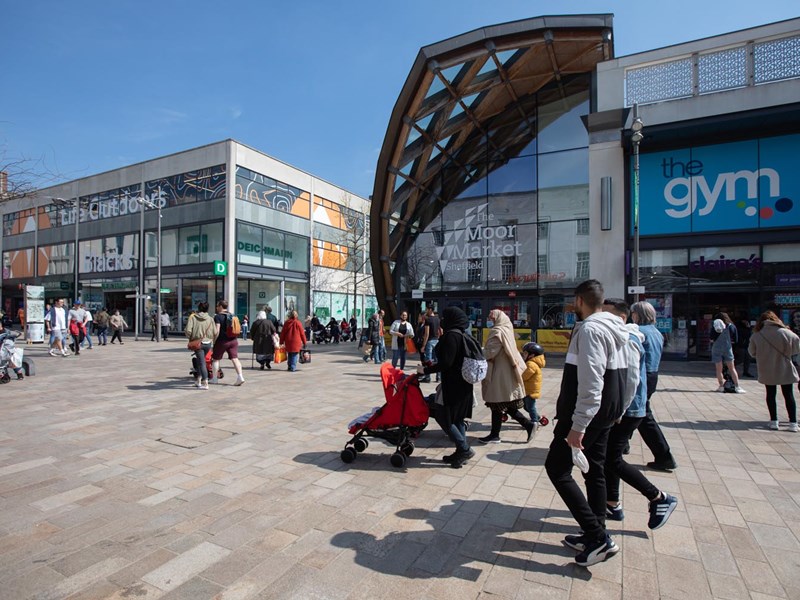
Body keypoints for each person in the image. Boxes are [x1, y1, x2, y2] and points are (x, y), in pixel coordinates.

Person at [544, 279, 630, 567]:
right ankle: (596, 531)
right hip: (605, 413)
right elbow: (629, 375)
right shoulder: (616, 327)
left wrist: (578, 425)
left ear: (580, 300)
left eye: (574, 301)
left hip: (586, 415)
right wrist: (619, 409)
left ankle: (597, 536)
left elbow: (591, 382)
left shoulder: (591, 329)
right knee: (594, 470)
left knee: (557, 469)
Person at [602, 299, 679, 529]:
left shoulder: (631, 336)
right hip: (641, 390)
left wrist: (621, 408)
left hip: (629, 402)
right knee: (611, 455)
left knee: (611, 458)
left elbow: (632, 376)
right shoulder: (654, 333)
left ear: (628, 316)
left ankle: (658, 497)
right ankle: (612, 503)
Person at [417, 306, 475, 468]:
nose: (442, 320)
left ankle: (464, 449)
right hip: (463, 384)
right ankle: (460, 452)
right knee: (457, 418)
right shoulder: (462, 334)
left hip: (453, 385)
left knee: (444, 417)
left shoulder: (451, 336)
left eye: (445, 317)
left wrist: (425, 370)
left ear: (452, 319)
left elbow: (447, 363)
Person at [630, 301, 678, 471]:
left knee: (642, 415)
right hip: (653, 374)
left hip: (642, 375)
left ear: (637, 314)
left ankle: (664, 455)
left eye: (633, 313)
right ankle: (622, 444)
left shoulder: (639, 332)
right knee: (636, 413)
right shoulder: (656, 332)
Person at [479, 309, 535, 444]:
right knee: (503, 403)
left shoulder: (497, 332)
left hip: (498, 373)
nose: (491, 321)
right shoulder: (507, 329)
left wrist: (476, 351)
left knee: (497, 402)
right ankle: (498, 433)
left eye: (492, 319)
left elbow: (490, 352)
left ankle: (498, 434)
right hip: (507, 372)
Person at [748, 311, 800, 431]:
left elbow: (752, 352)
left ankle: (773, 421)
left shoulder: (757, 335)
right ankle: (793, 423)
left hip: (767, 367)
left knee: (770, 394)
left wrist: (763, 355)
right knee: (789, 394)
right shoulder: (787, 332)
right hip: (785, 367)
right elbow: (797, 348)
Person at [211, 299, 245, 386]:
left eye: (217, 306)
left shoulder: (217, 317)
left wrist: (214, 341)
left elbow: (217, 330)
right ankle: (240, 377)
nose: (216, 308)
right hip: (233, 340)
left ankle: (215, 379)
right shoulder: (233, 315)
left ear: (221, 306)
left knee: (216, 359)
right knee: (235, 358)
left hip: (222, 341)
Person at [185, 301, 216, 389]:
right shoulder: (210, 319)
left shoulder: (193, 318)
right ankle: (198, 381)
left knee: (202, 362)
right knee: (200, 361)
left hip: (198, 344)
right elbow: (215, 332)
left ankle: (205, 382)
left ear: (198, 308)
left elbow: (188, 330)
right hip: (208, 343)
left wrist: (191, 338)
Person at [711, 312, 744, 393]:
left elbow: (711, 337)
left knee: (719, 369)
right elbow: (735, 339)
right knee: (732, 368)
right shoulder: (731, 326)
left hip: (716, 348)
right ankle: (737, 386)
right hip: (727, 348)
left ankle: (721, 386)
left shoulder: (715, 326)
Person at [521, 342, 546, 427]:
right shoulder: (532, 363)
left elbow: (524, 376)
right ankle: (538, 417)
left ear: (531, 355)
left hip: (530, 392)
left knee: (531, 407)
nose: (523, 355)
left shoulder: (531, 364)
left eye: (525, 353)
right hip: (528, 389)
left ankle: (534, 422)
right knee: (526, 407)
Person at [419, 306, 441, 383]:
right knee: (437, 359)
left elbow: (427, 334)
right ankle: (438, 377)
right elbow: (440, 331)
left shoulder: (428, 320)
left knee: (428, 360)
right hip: (437, 340)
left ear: (430, 310)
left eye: (427, 309)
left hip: (430, 341)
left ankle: (427, 377)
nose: (426, 311)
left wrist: (423, 346)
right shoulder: (438, 319)